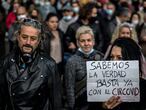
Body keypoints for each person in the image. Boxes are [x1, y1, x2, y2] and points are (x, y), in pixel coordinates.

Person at [0, 18, 62, 110]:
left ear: (39, 40)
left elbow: (55, 102)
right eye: (24, 37)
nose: (28, 42)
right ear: (18, 36)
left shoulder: (49, 65)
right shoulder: (6, 62)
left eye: (33, 39)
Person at [64, 26, 103, 110]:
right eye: (82, 41)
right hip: (80, 105)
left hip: (99, 103)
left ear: (93, 41)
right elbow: (69, 88)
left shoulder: (101, 57)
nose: (86, 44)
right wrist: (72, 106)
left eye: (89, 40)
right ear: (77, 43)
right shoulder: (72, 61)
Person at [103, 37, 146, 110]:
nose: (114, 62)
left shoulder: (143, 87)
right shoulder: (101, 86)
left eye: (119, 58)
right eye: (112, 57)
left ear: (131, 58)